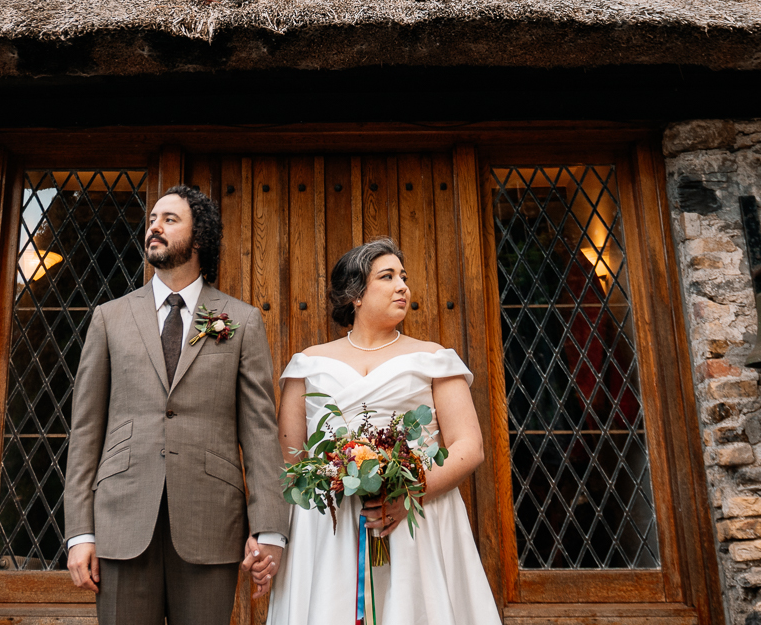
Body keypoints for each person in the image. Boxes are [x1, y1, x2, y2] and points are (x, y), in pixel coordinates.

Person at [65, 184, 291, 625]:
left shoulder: (240, 320)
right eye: (152, 219)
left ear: (199, 237)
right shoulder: (109, 318)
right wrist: (80, 531)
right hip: (121, 520)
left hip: (211, 523)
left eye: (170, 220)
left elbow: (260, 431)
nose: (155, 227)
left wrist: (269, 529)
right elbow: (86, 429)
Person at [265, 239, 503, 625]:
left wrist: (409, 494)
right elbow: (291, 458)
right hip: (330, 527)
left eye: (404, 277)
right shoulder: (307, 364)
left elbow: (470, 446)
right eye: (388, 277)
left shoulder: (434, 359)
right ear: (355, 295)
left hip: (415, 518)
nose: (402, 286)